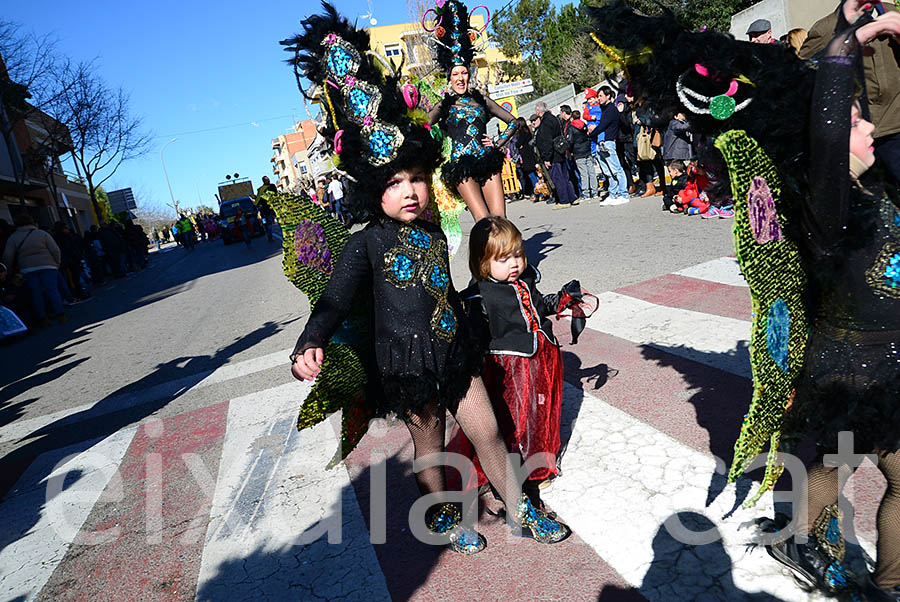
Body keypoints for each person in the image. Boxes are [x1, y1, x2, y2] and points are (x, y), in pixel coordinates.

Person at [588, 0, 900, 598]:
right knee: (856, 462)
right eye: (858, 122)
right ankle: (868, 576)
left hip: (888, 361)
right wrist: (853, 39)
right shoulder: (830, 204)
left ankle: (849, 561)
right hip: (852, 368)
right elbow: (831, 124)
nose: (869, 128)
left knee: (845, 462)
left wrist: (849, 24)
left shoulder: (879, 185)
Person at [283, 3, 570, 554]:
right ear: (374, 191)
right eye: (395, 184)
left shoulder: (436, 229)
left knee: (487, 430)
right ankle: (439, 512)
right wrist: (311, 340)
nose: (411, 191)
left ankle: (520, 508)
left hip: (454, 350)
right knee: (430, 444)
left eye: (417, 178)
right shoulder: (366, 241)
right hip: (405, 363)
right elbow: (336, 298)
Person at [452, 217, 570, 503]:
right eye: (503, 259)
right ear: (483, 262)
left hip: (540, 360)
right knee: (513, 421)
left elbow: (540, 306)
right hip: (509, 369)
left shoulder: (526, 280)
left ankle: (539, 465)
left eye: (517, 254)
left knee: (539, 415)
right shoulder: (481, 296)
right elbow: (476, 337)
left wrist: (563, 301)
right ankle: (512, 474)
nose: (514, 263)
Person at [427, 0, 518, 222]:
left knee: (501, 218)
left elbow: (516, 122)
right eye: (456, 74)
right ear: (449, 77)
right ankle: (486, 257)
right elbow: (422, 126)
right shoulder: (443, 105)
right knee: (483, 220)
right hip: (461, 169)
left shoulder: (482, 100)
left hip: (487, 159)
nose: (460, 78)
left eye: (464, 73)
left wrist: (497, 143)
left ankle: (508, 256)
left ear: (469, 74)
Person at [800, 1, 900, 186]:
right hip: (860, 138)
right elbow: (801, 74)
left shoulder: (891, 12)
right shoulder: (826, 28)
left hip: (896, 125)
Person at [1, 214, 65, 327]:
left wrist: (8, 270)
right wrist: (56, 263)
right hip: (48, 265)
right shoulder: (42, 234)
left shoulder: (14, 237)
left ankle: (42, 318)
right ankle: (60, 314)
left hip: (27, 268)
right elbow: (55, 250)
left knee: (36, 293)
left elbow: (8, 255)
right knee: (52, 290)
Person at [589, 86, 631, 206]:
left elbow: (602, 125)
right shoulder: (602, 109)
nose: (599, 98)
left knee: (616, 169)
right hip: (600, 143)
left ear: (608, 96)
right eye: (598, 96)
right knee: (608, 172)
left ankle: (623, 194)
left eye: (601, 95)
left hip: (608, 142)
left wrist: (592, 132)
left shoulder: (611, 109)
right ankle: (613, 194)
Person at [532, 105, 577, 207]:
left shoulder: (546, 123)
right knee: (565, 176)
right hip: (560, 151)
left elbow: (547, 142)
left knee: (558, 178)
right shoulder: (554, 119)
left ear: (539, 112)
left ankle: (564, 201)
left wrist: (547, 158)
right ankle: (572, 197)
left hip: (553, 154)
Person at [563, 105, 597, 201]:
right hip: (587, 150)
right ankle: (595, 191)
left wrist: (569, 151)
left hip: (578, 152)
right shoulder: (584, 125)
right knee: (591, 171)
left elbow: (570, 141)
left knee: (583, 173)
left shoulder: (571, 127)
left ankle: (586, 193)